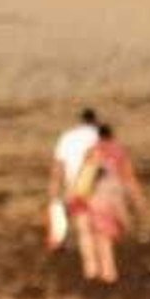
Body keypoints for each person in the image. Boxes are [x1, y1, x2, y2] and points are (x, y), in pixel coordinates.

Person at [71, 122, 148, 286]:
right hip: (113, 197)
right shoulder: (118, 151)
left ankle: (94, 271)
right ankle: (109, 274)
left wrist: (75, 197)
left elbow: (83, 177)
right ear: (111, 135)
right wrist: (138, 199)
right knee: (106, 236)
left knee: (97, 234)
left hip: (94, 198)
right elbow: (128, 177)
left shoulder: (91, 151)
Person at [46, 107, 100, 251]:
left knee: (78, 216)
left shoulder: (67, 136)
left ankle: (65, 241)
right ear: (95, 121)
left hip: (72, 183)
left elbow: (58, 166)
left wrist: (53, 188)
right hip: (94, 181)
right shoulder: (98, 135)